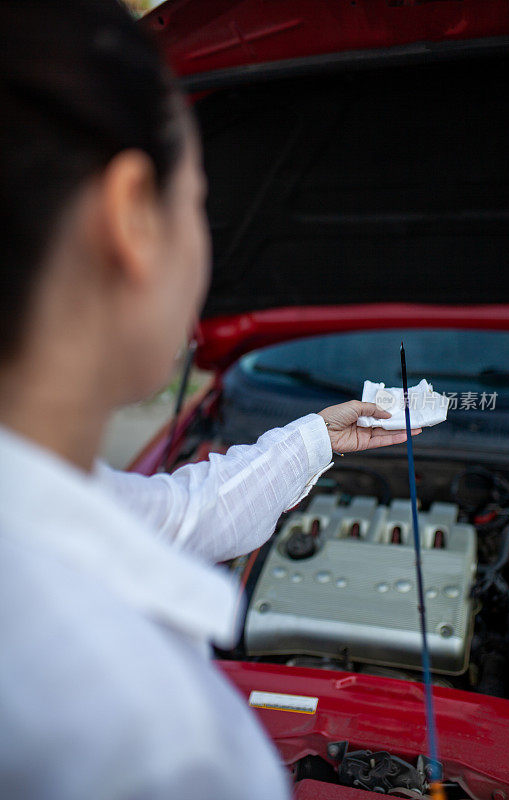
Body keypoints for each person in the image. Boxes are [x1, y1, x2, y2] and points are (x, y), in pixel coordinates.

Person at [0, 2, 420, 798]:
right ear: (131, 219)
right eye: (198, 202)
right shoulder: (149, 739)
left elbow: (177, 515)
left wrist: (317, 440)